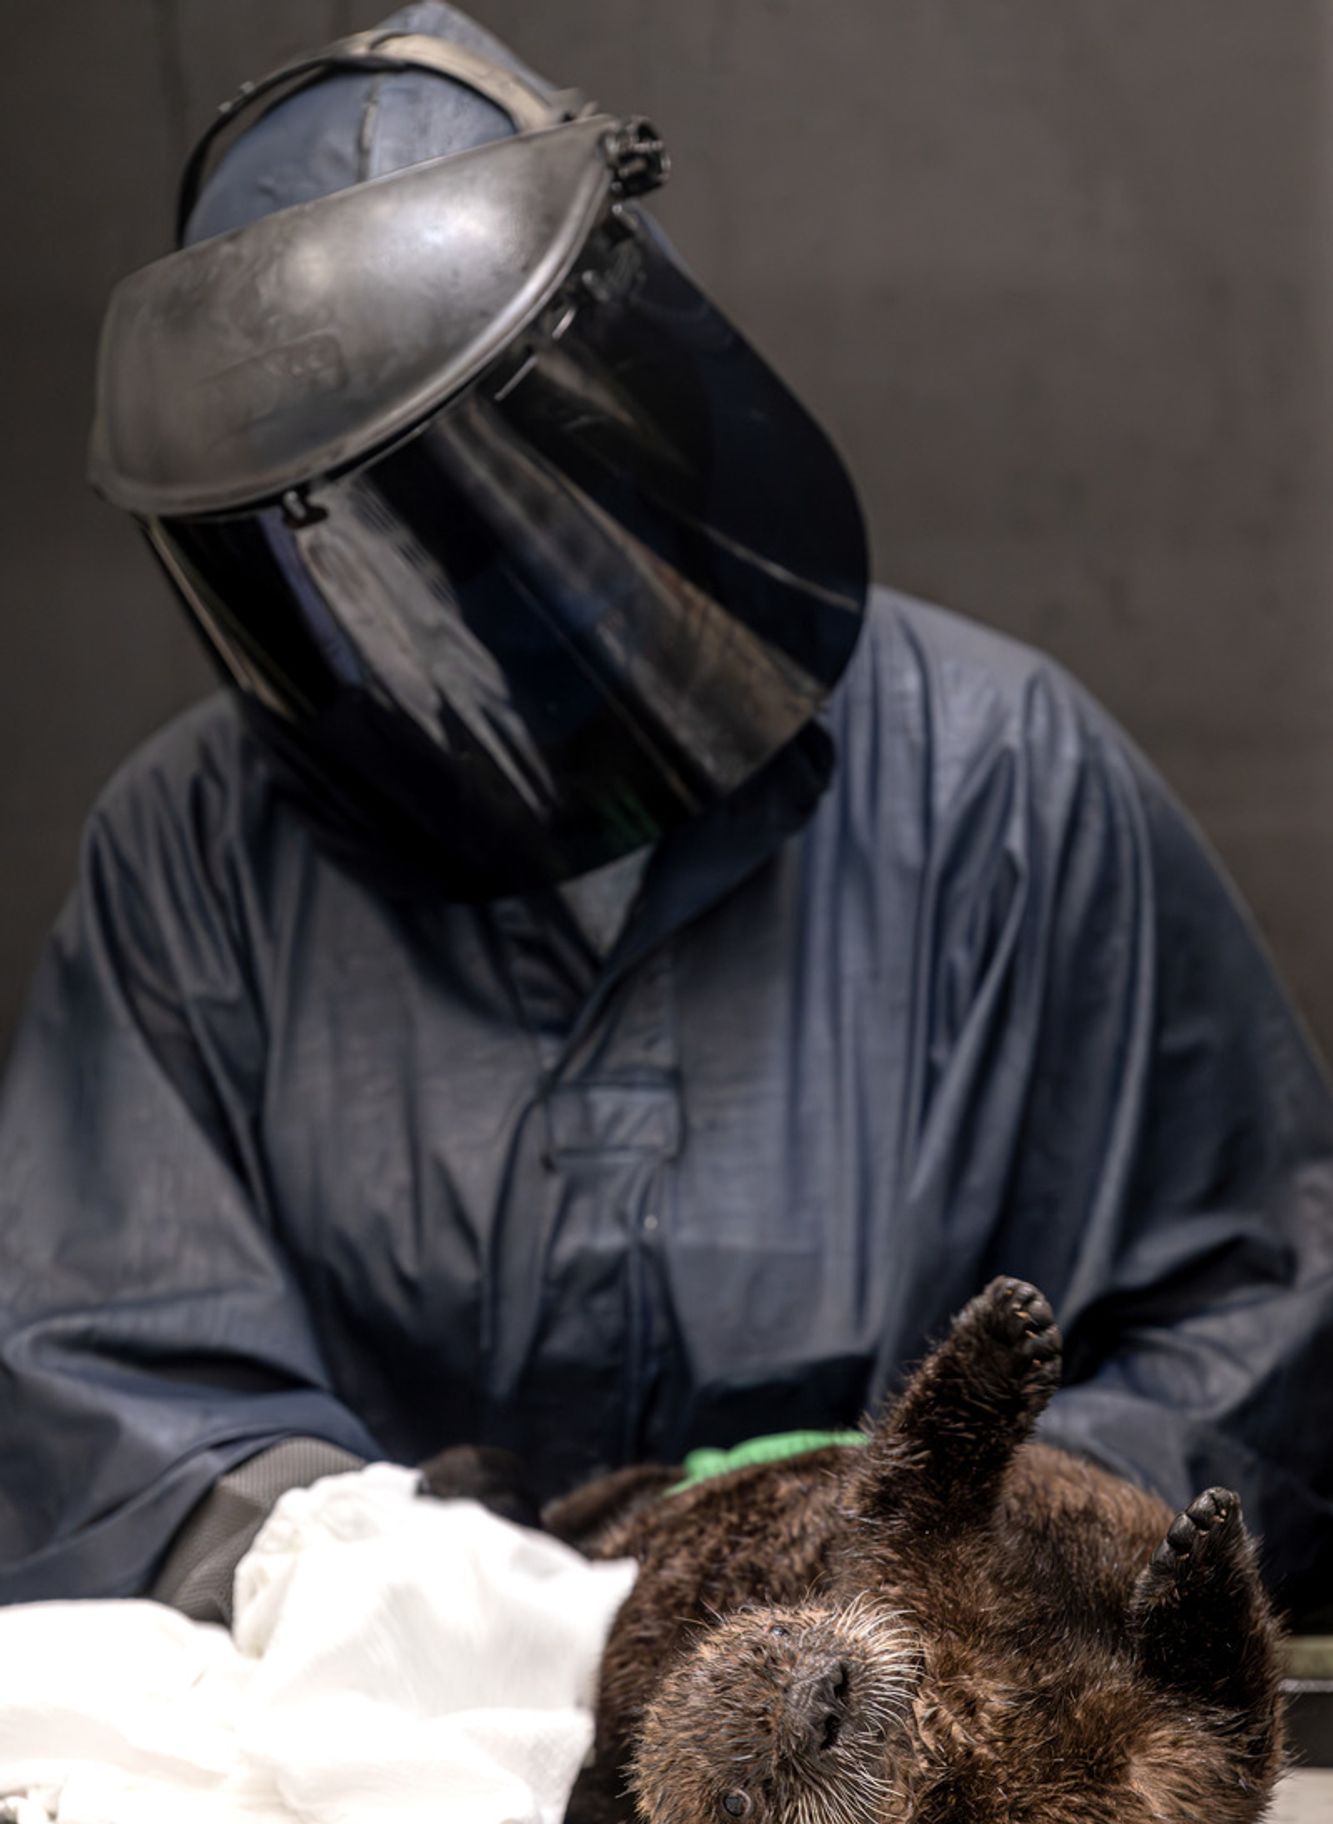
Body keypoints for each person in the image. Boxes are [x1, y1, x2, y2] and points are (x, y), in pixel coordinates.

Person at [1, 1, 1331, 1631]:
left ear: (621, 376)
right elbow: (92, 1374)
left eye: (496, 508)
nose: (455, 626)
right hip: (395, 1797)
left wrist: (922, 1553)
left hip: (897, 1798)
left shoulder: (1001, 785)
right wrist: (359, 1578)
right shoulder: (197, 856)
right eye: (356, 559)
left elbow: (1253, 1328)